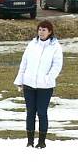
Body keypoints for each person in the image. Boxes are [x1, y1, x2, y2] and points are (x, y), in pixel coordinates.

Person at [14, 20, 63, 149]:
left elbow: (57, 66)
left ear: (50, 32)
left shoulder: (55, 47)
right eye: (40, 29)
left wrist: (48, 78)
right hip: (29, 84)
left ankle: (41, 142)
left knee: (41, 112)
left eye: (44, 30)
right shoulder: (32, 44)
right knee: (30, 112)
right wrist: (20, 80)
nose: (41, 32)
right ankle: (30, 141)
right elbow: (24, 63)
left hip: (45, 86)